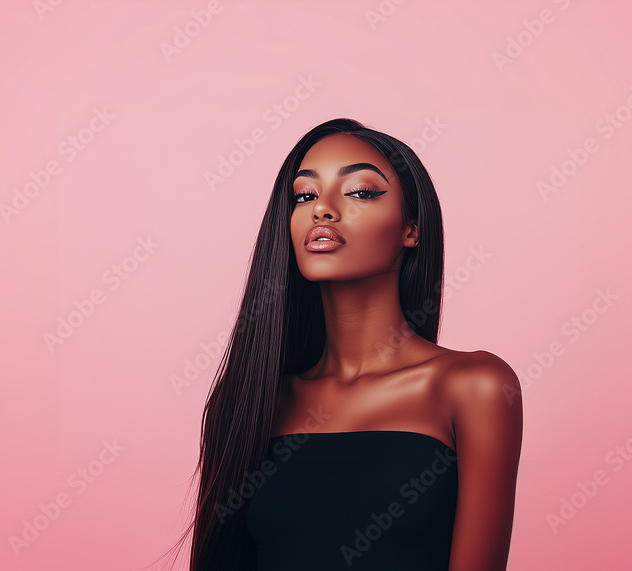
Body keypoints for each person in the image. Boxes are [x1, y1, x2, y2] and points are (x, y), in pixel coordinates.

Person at [151, 118, 522, 571]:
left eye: (361, 192)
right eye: (305, 196)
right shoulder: (249, 402)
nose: (321, 210)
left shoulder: (474, 387)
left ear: (411, 228)